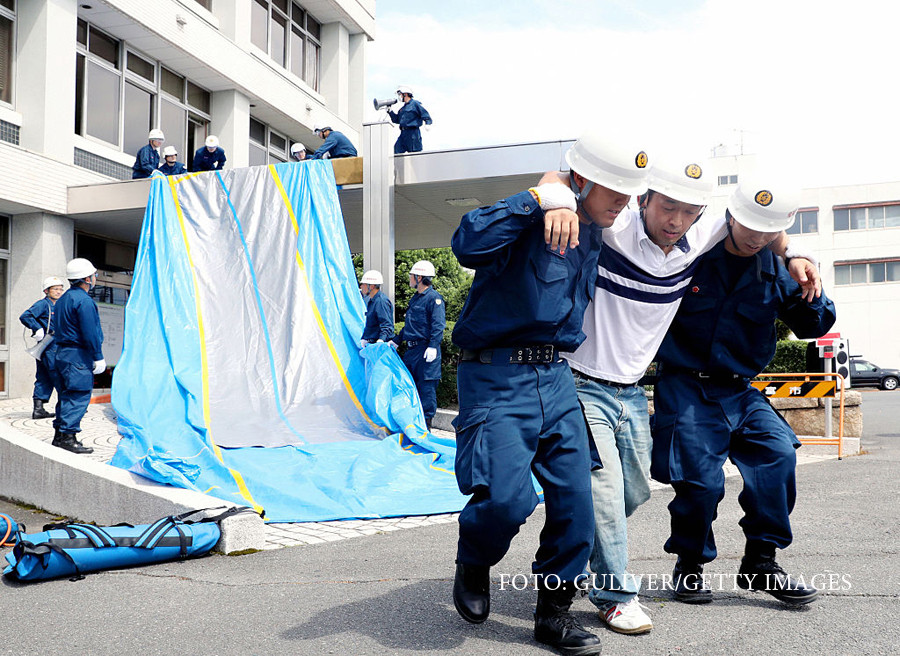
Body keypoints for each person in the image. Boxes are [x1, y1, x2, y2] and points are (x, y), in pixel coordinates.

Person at [536, 155, 822, 634]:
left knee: (631, 493)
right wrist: (558, 201)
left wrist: (795, 253)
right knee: (608, 496)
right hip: (583, 380)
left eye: (689, 211)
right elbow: (567, 176)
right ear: (643, 199)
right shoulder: (616, 224)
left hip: (631, 394)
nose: (676, 221)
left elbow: (761, 224)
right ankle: (615, 596)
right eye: (667, 207)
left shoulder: (703, 231)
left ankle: (568, 552)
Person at [449, 129, 651, 656]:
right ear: (583, 181)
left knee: (576, 503)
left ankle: (553, 615)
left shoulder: (599, 226)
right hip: (496, 376)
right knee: (505, 501)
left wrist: (792, 251)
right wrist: (542, 196)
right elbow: (467, 242)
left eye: (630, 196)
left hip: (558, 378)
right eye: (615, 195)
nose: (623, 206)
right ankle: (474, 557)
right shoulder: (532, 216)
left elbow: (690, 220)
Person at [650, 177, 836, 607]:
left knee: (777, 454)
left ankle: (761, 563)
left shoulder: (776, 269)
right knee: (699, 482)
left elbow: (814, 326)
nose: (756, 237)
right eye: (749, 225)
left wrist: (807, 273)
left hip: (741, 390)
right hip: (686, 385)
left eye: (768, 230)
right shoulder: (691, 256)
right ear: (730, 216)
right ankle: (690, 566)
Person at [49, 258, 106, 455]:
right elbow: (90, 331)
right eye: (94, 275)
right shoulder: (84, 301)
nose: (95, 278)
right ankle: (68, 437)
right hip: (78, 356)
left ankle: (59, 435)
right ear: (87, 278)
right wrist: (98, 356)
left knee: (65, 395)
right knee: (78, 396)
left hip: (62, 354)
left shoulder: (63, 298)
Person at [389, 261, 445, 430]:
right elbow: (410, 325)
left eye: (411, 276)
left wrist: (434, 346)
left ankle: (426, 429)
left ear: (419, 277)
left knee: (426, 390)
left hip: (426, 350)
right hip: (412, 351)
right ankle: (411, 426)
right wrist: (397, 340)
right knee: (408, 387)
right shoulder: (416, 298)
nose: (410, 279)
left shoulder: (434, 298)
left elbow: (438, 324)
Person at [19, 276, 65, 420]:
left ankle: (38, 409)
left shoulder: (58, 305)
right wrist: (37, 328)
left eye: (60, 289)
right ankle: (66, 407)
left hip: (53, 343)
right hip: (49, 344)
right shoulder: (43, 304)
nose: (59, 292)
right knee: (57, 373)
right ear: (47, 291)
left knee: (44, 376)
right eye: (55, 289)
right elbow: (25, 316)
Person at [387, 85, 432, 154]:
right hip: (403, 133)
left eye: (400, 94)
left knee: (414, 154)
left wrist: (428, 123)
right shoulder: (403, 109)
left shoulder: (415, 104)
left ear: (405, 94)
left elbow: (424, 113)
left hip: (413, 133)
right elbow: (397, 120)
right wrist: (390, 112)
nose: (399, 96)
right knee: (397, 150)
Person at [359, 270, 394, 346]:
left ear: (371, 286)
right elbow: (370, 325)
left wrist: (381, 340)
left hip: (380, 345)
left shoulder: (381, 301)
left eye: (364, 284)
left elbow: (386, 325)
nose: (361, 287)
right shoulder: (372, 301)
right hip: (372, 344)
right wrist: (364, 338)